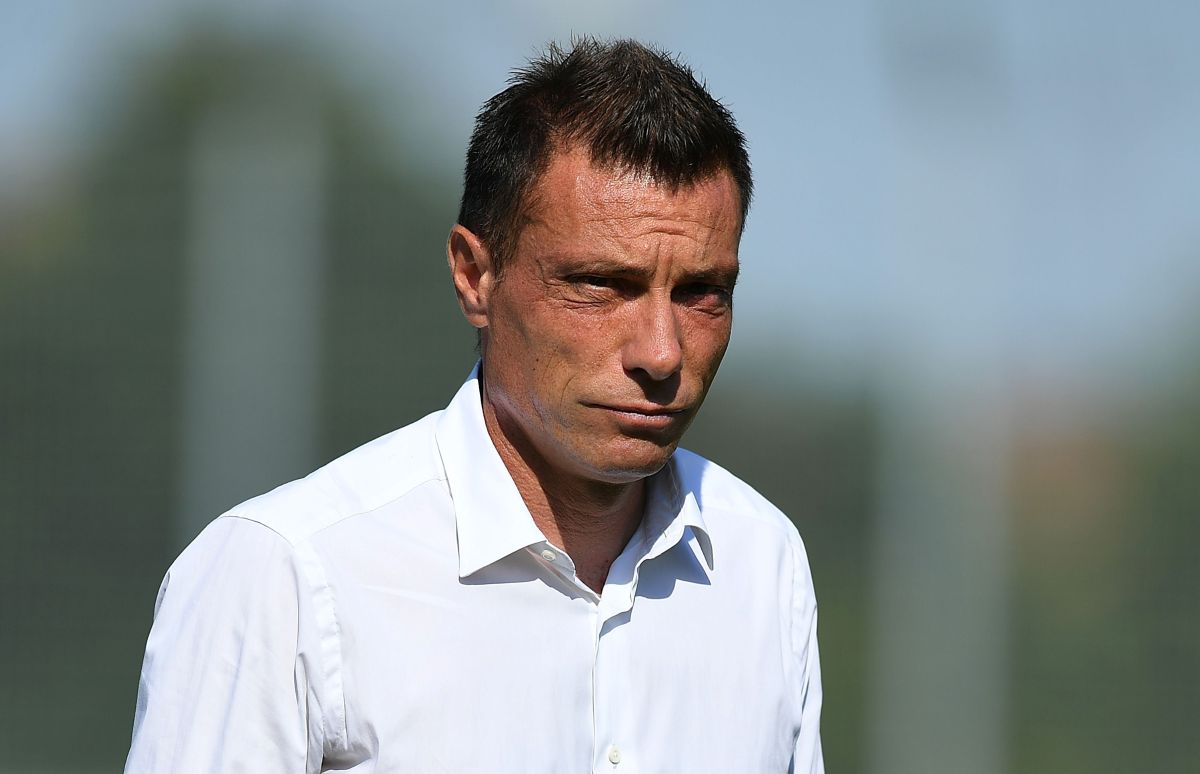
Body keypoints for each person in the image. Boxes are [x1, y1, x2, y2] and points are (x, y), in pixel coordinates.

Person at [125, 37, 823, 773]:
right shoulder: (287, 574)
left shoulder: (762, 565)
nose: (661, 351)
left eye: (701, 293)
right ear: (475, 276)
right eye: (600, 284)